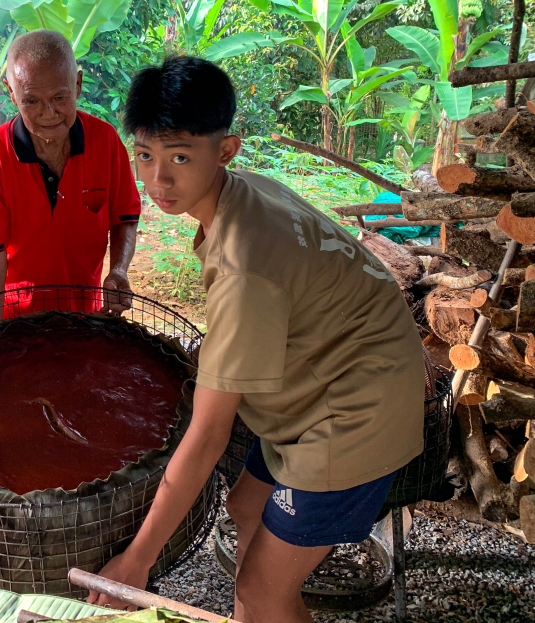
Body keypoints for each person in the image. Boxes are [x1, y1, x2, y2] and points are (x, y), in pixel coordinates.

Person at [88, 57, 425, 623]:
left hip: (354, 415)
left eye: (179, 157)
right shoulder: (244, 191)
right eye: (145, 155)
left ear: (226, 150)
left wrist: (136, 560)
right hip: (331, 377)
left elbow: (209, 433)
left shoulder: (245, 266)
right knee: (247, 505)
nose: (158, 180)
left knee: (261, 591)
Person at [0, 30, 141, 324]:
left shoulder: (105, 141)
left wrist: (119, 269)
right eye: (31, 101)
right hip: (17, 321)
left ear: (78, 84)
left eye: (60, 97)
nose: (48, 113)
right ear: (11, 93)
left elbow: (124, 217)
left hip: (87, 315)